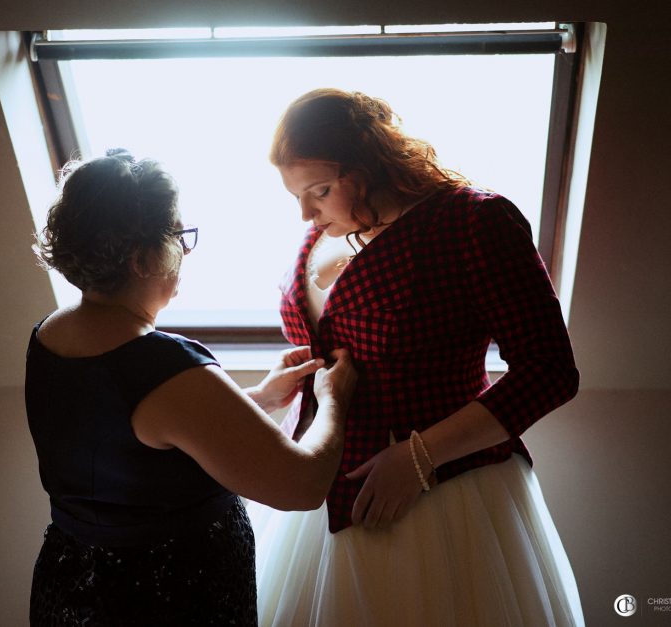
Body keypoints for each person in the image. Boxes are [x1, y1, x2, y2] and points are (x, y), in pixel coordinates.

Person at [246, 88, 585, 626]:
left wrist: (419, 457)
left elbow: (550, 371)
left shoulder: (475, 222)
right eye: (298, 195)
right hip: (321, 483)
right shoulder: (327, 230)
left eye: (320, 190)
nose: (306, 212)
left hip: (442, 493)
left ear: (369, 163)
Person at [24, 148, 357, 626]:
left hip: (72, 583)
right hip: (166, 597)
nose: (183, 250)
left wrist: (257, 399)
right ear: (142, 258)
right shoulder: (161, 364)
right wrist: (333, 401)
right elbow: (302, 485)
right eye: (179, 236)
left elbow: (133, 440)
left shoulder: (50, 334)